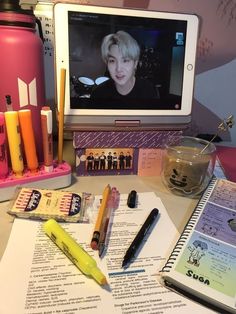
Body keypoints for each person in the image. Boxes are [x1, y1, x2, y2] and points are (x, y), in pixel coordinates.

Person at [91, 30, 158, 100]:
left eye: (125, 60)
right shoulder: (98, 94)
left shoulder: (149, 91)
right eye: (112, 61)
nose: (118, 69)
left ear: (135, 63)